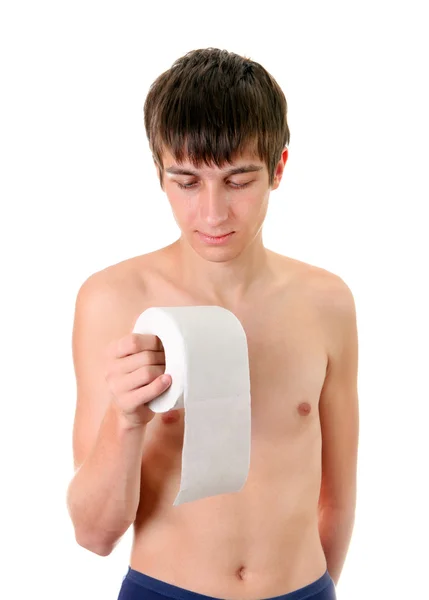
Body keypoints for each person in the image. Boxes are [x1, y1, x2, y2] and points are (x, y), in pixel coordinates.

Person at [66, 47, 359, 600]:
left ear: (278, 169)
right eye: (187, 181)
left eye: (238, 180)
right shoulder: (113, 300)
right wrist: (126, 421)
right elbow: (93, 534)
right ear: (159, 173)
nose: (213, 213)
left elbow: (336, 497)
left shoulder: (327, 302)